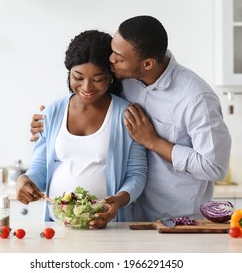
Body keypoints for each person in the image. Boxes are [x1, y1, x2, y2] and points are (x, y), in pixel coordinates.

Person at [30, 16, 232, 222]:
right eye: (112, 51)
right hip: (126, 217)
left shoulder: (196, 98)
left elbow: (214, 167)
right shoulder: (124, 79)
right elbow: (86, 92)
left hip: (174, 218)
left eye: (118, 57)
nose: (110, 60)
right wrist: (48, 123)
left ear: (147, 64)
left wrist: (154, 142)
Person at [16, 30, 148, 229]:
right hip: (57, 225)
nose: (87, 87)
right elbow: (41, 166)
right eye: (78, 77)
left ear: (111, 76)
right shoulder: (52, 112)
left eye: (97, 79)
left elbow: (137, 174)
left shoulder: (126, 114)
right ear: (69, 73)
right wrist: (25, 180)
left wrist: (119, 200)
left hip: (107, 225)